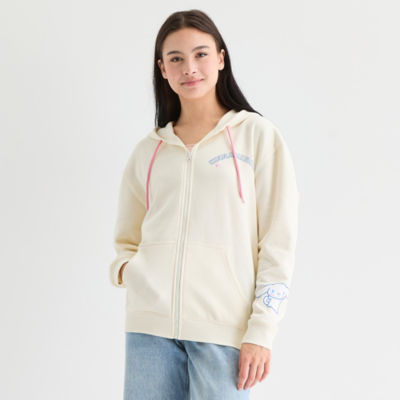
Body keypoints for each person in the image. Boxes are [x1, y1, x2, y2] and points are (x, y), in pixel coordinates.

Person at [109, 9, 300, 400]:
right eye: (176, 58)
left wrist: (262, 330)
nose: (189, 68)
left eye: (200, 54)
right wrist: (131, 271)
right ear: (162, 69)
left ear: (221, 59)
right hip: (149, 331)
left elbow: (278, 242)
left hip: (224, 331)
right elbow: (127, 238)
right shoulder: (149, 151)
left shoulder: (257, 136)